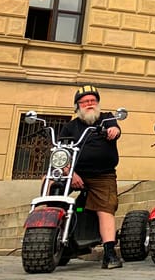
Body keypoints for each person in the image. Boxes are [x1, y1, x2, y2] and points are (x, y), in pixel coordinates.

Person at [59, 85, 123, 269]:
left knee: (105, 208)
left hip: (103, 175)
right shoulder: (70, 127)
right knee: (50, 184)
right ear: (77, 105)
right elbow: (61, 152)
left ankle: (109, 253)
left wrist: (113, 131)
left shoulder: (106, 118)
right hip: (74, 173)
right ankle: (46, 230)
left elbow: (115, 129)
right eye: (85, 101)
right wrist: (69, 172)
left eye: (93, 100)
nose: (89, 104)